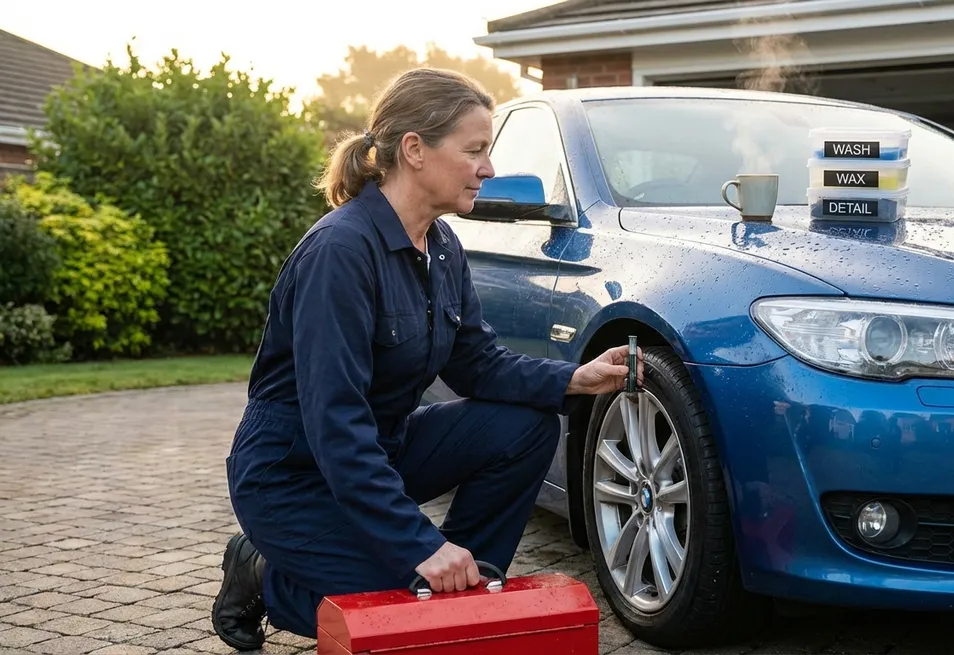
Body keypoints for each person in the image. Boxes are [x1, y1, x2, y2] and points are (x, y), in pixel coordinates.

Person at [210, 68, 642, 651]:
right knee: (394, 604)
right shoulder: (340, 253)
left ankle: (464, 590)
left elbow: (478, 364)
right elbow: (336, 426)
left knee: (524, 424)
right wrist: (421, 547)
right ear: (414, 149)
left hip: (382, 450)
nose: (489, 168)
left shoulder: (441, 246)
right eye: (475, 150)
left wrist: (575, 377)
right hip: (294, 475)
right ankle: (262, 569)